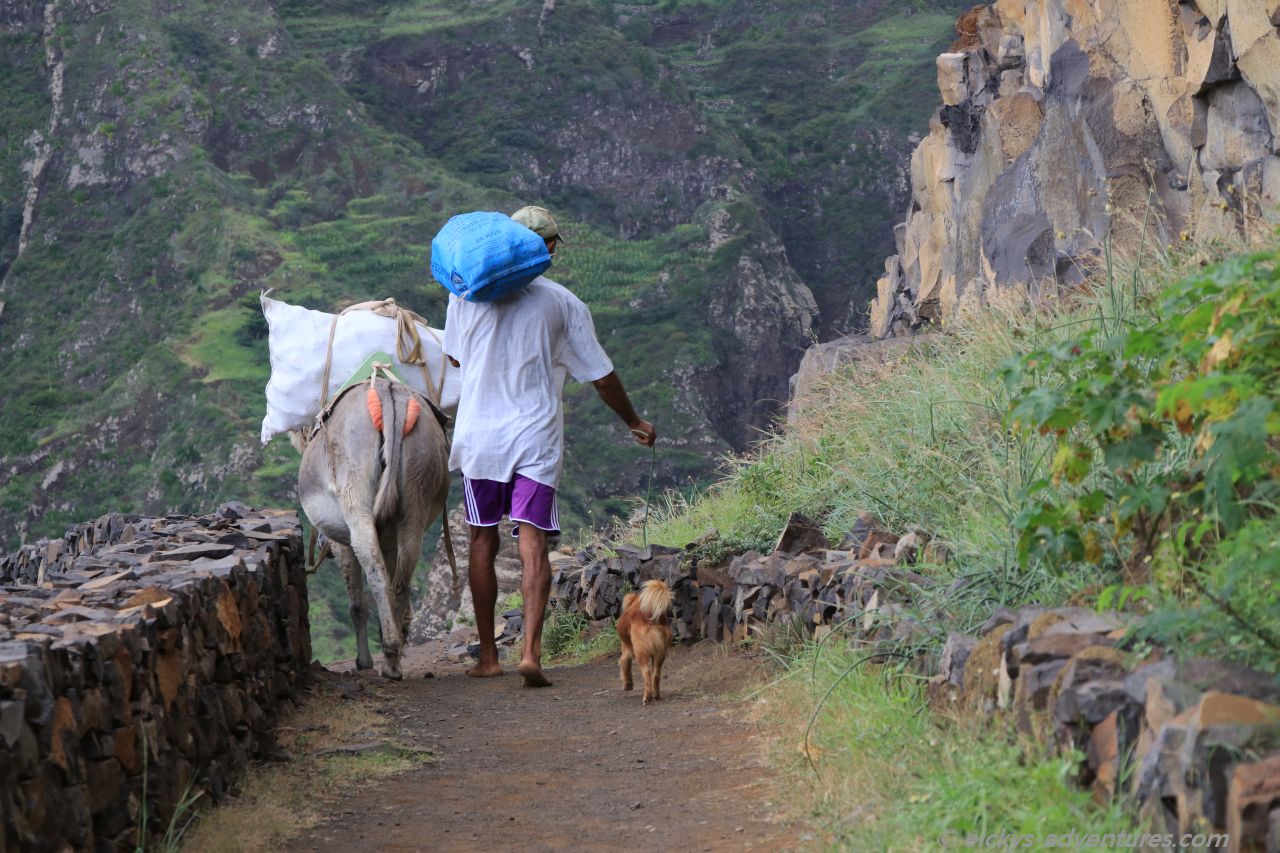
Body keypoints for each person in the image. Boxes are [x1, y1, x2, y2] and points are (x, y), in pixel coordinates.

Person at [442, 205, 657, 688]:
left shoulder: (465, 297)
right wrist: (633, 421)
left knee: (482, 538)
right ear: (549, 249)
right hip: (535, 437)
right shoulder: (563, 303)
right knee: (532, 540)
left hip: (480, 437)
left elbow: (455, 355)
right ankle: (532, 653)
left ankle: (489, 657)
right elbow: (601, 376)